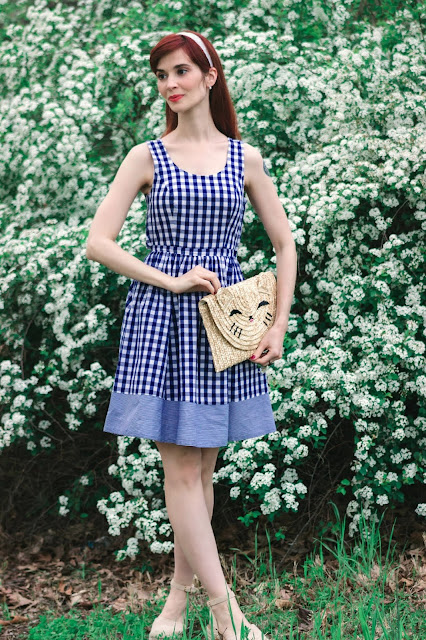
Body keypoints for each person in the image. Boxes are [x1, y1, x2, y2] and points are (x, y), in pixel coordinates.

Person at [86, 29, 297, 640]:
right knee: (180, 472)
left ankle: (176, 606)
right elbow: (99, 243)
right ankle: (227, 615)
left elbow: (284, 243)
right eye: (162, 75)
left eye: (181, 71)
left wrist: (277, 324)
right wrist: (169, 279)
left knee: (201, 475)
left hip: (224, 323)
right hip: (161, 320)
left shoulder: (244, 158)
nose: (170, 84)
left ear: (209, 76)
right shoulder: (146, 156)